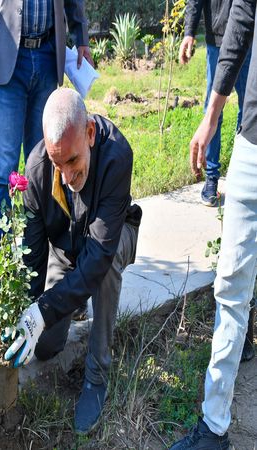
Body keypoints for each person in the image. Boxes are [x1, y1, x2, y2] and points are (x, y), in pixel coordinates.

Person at [4, 88, 142, 434]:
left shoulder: (116, 156)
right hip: (67, 252)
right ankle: (73, 302)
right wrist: (30, 313)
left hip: (112, 239)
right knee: (47, 347)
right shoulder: (37, 171)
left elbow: (98, 257)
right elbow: (34, 257)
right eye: (57, 163)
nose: (66, 175)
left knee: (103, 270)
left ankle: (97, 375)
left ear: (90, 135)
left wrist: (47, 309)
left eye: (73, 161)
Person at [170, 0, 257, 447]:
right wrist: (211, 113)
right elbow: (242, 15)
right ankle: (215, 426)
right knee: (230, 282)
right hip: (253, 137)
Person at [0, 0, 93, 256]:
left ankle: (36, 259)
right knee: (4, 172)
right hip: (7, 52)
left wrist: (81, 37)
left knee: (43, 168)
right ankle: (2, 266)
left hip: (47, 54)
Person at [178, 0, 251, 207]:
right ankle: (211, 178)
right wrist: (189, 32)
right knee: (213, 112)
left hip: (248, 35)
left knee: (249, 109)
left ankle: (241, 173)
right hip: (217, 40)